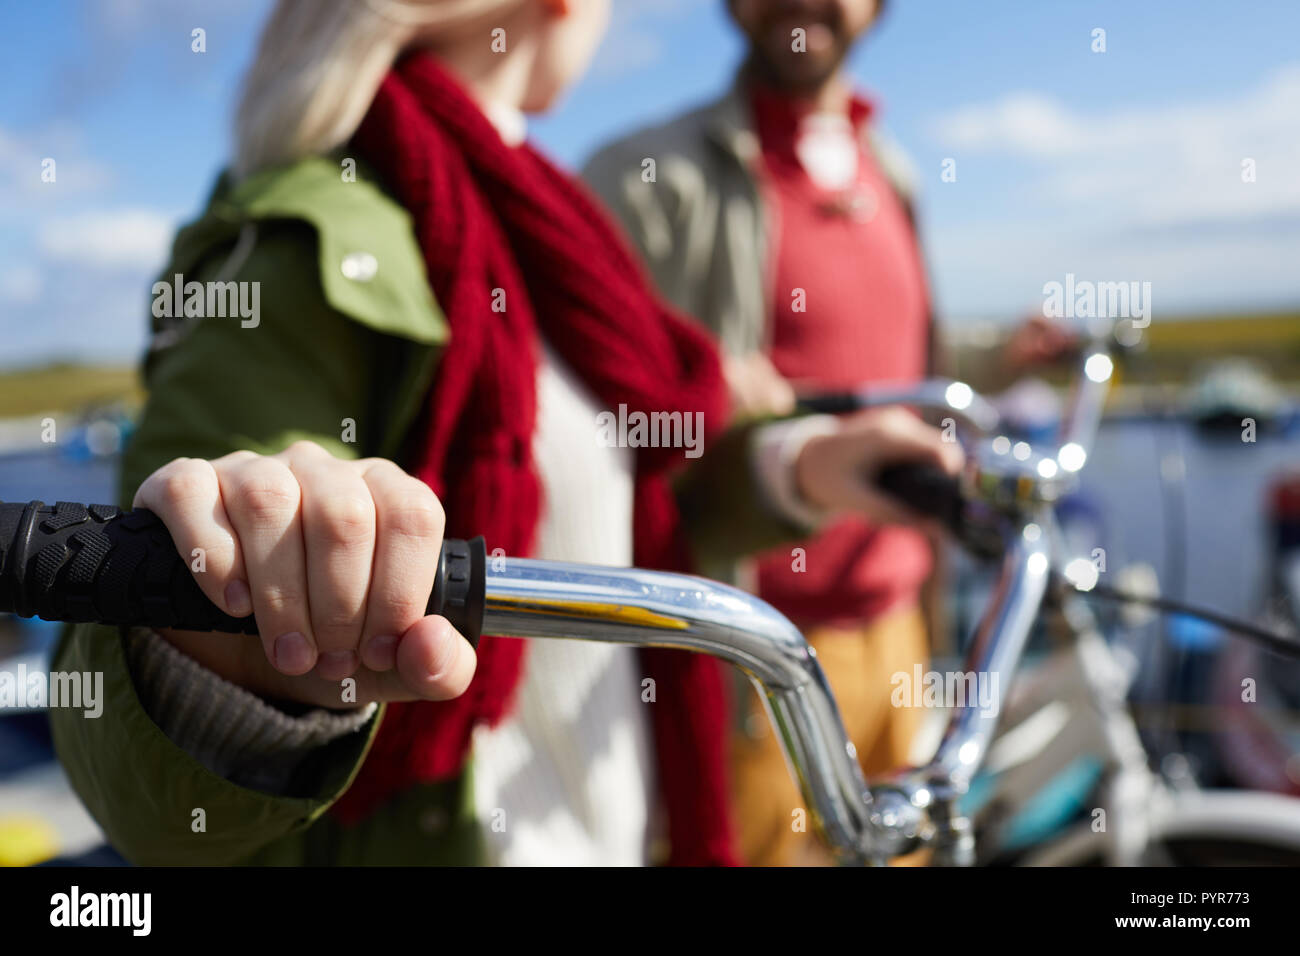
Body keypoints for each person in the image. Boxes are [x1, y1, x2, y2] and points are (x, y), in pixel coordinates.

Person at [50, 0, 961, 867]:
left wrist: (798, 468)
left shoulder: (554, 227)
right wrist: (245, 624)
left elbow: (613, 517)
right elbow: (138, 762)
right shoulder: (302, 229)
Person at [584, 0, 1071, 864]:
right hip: (745, 655)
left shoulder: (892, 171)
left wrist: (1005, 359)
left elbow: (900, 362)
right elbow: (583, 411)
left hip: (906, 631)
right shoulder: (640, 178)